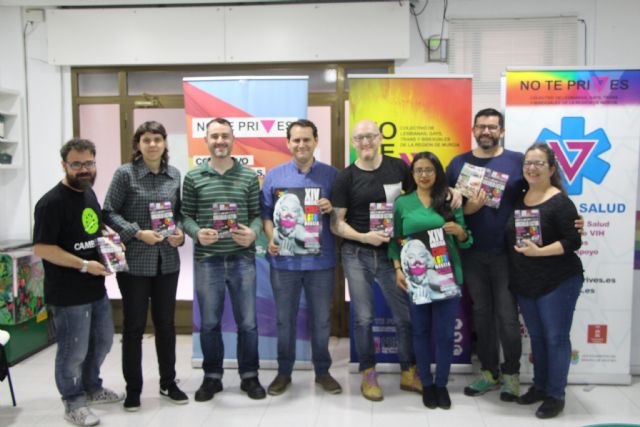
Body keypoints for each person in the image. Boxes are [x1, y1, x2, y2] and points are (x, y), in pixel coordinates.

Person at [33, 138, 123, 427]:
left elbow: (93, 230)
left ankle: (92, 387)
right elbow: (42, 248)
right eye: (77, 164)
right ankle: (73, 403)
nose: (84, 169)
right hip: (68, 294)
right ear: (64, 165)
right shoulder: (50, 203)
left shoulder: (88, 193)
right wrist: (84, 265)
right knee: (73, 352)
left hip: (95, 289)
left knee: (103, 342)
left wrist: (112, 244)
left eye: (89, 163)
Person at [330, 119, 421, 402]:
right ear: (353, 143)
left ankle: (408, 371)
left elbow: (419, 197)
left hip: (392, 255)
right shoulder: (345, 177)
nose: (365, 142)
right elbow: (336, 224)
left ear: (380, 138)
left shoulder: (398, 168)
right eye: (359, 138)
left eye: (370, 136)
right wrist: (364, 237)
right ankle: (368, 372)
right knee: (364, 318)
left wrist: (450, 193)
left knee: (404, 316)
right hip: (356, 253)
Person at [103, 121, 188, 411]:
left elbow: (178, 213)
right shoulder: (125, 174)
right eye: (146, 140)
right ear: (138, 144)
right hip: (135, 263)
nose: (152, 145)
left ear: (164, 143)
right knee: (134, 328)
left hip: (167, 262)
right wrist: (137, 232)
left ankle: (168, 382)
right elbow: (108, 211)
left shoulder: (174, 174)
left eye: (157, 139)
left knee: (166, 325)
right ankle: (134, 389)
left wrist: (179, 233)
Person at [182, 117, 266, 401]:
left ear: (232, 140)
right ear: (206, 140)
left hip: (243, 260)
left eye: (225, 136)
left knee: (248, 323)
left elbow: (257, 216)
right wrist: (196, 233)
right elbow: (185, 216)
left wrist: (253, 233)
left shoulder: (248, 176)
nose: (220, 141)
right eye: (214, 136)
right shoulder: (194, 177)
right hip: (208, 260)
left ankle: (250, 376)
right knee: (209, 323)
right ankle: (212, 377)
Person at [445, 108, 524, 401]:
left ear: (501, 131)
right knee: (482, 314)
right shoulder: (458, 163)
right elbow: (445, 206)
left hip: (507, 253)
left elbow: (540, 195)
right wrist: (467, 208)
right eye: (481, 126)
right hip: (471, 252)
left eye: (492, 126)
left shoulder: (517, 161)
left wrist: (568, 219)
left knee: (507, 316)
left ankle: (511, 375)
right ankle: (489, 372)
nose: (486, 131)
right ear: (474, 130)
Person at [260, 119, 342, 396]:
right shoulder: (275, 176)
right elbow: (266, 215)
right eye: (296, 140)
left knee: (321, 320)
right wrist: (271, 238)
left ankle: (323, 372)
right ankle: (284, 373)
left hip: (321, 263)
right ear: (288, 143)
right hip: (284, 263)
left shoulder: (332, 176)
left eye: (307, 139)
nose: (301, 144)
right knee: (285, 320)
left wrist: (331, 208)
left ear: (316, 141)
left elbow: (342, 214)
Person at [389, 152, 472, 410]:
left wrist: (460, 232)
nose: (424, 175)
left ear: (437, 172)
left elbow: (466, 240)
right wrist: (398, 269)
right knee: (421, 332)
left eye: (429, 170)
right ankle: (426, 383)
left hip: (447, 276)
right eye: (419, 170)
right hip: (417, 279)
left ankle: (441, 384)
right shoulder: (402, 203)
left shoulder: (449, 199)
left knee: (445, 335)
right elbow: (395, 240)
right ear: (412, 174)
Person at [506, 143, 583, 419]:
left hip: (558, 281)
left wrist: (539, 252)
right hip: (527, 282)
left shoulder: (560, 201)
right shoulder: (520, 197)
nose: (532, 168)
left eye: (539, 163)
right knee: (538, 338)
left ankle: (555, 395)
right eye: (528, 163)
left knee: (556, 338)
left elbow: (573, 241)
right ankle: (540, 387)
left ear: (551, 169)